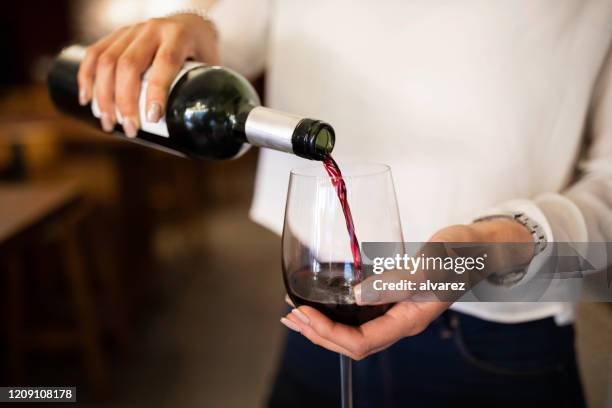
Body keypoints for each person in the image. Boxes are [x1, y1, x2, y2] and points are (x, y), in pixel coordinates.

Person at [76, 1, 612, 406]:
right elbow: (225, 41)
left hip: (497, 349)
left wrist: (486, 249)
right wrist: (195, 27)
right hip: (313, 322)